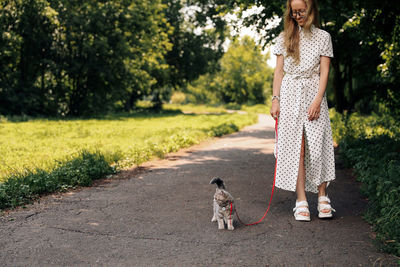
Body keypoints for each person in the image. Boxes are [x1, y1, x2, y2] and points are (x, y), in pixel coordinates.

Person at [270, 0, 336, 221]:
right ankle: (301, 200)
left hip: (313, 92)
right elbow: (279, 72)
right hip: (289, 94)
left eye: (301, 11)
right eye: (294, 11)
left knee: (318, 143)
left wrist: (318, 99)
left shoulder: (323, 37)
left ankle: (322, 195)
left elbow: (324, 72)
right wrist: (275, 99)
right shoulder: (284, 37)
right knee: (296, 146)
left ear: (311, 10)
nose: (297, 15)